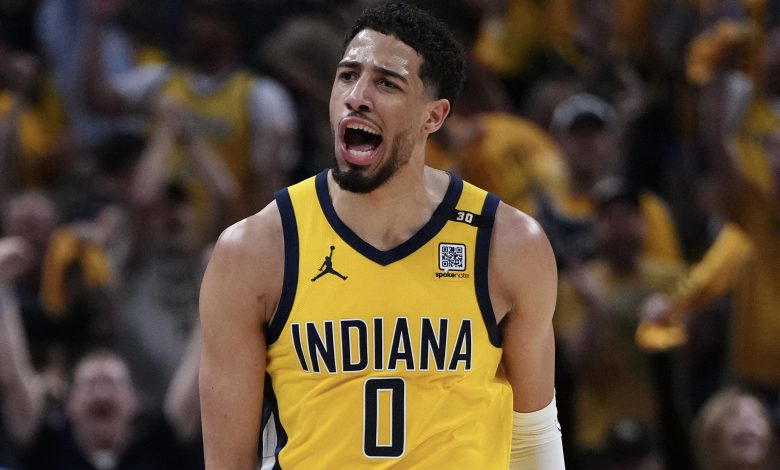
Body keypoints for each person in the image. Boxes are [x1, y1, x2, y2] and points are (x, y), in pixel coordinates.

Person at [199, 3, 564, 468]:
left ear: (434, 117)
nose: (357, 96)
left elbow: (533, 440)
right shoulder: (255, 252)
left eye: (387, 83)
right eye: (347, 76)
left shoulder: (507, 245)